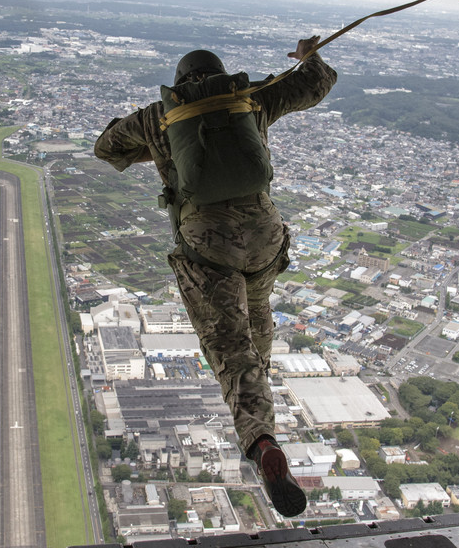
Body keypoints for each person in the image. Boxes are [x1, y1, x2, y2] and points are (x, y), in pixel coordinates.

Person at [94, 36, 336, 517]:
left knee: (228, 344)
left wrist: (157, 148)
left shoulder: (155, 117)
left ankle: (261, 438)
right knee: (258, 309)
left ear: (180, 81)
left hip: (208, 242)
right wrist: (310, 54)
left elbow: (106, 148)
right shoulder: (248, 97)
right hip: (264, 233)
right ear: (219, 73)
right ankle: (258, 393)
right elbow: (316, 83)